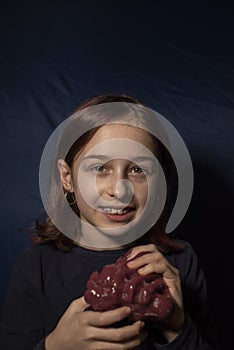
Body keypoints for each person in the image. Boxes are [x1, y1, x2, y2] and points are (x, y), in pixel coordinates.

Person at [0, 94, 219, 350]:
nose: (120, 190)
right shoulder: (35, 266)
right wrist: (55, 345)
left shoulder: (180, 262)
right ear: (67, 178)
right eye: (100, 168)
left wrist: (176, 326)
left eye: (138, 170)